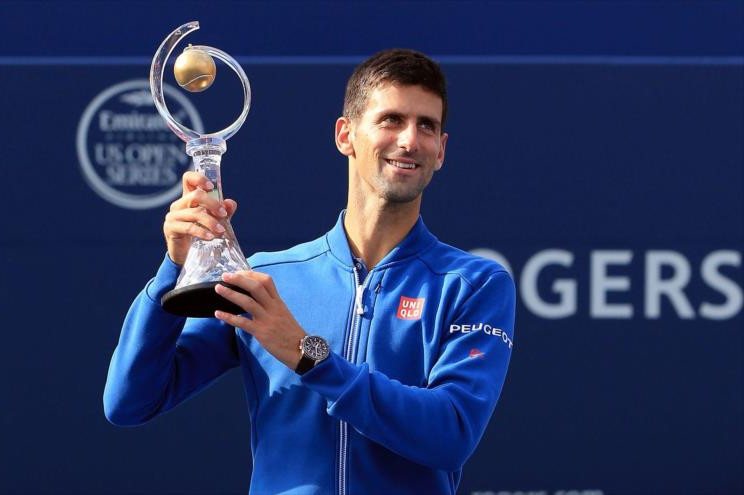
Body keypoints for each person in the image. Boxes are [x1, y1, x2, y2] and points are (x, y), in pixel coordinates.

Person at [104, 49, 515, 495]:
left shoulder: (474, 284)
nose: (410, 141)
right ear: (346, 135)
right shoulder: (265, 280)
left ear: (441, 151)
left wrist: (308, 354)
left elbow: (451, 434)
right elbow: (129, 401)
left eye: (427, 126)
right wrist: (175, 267)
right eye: (391, 120)